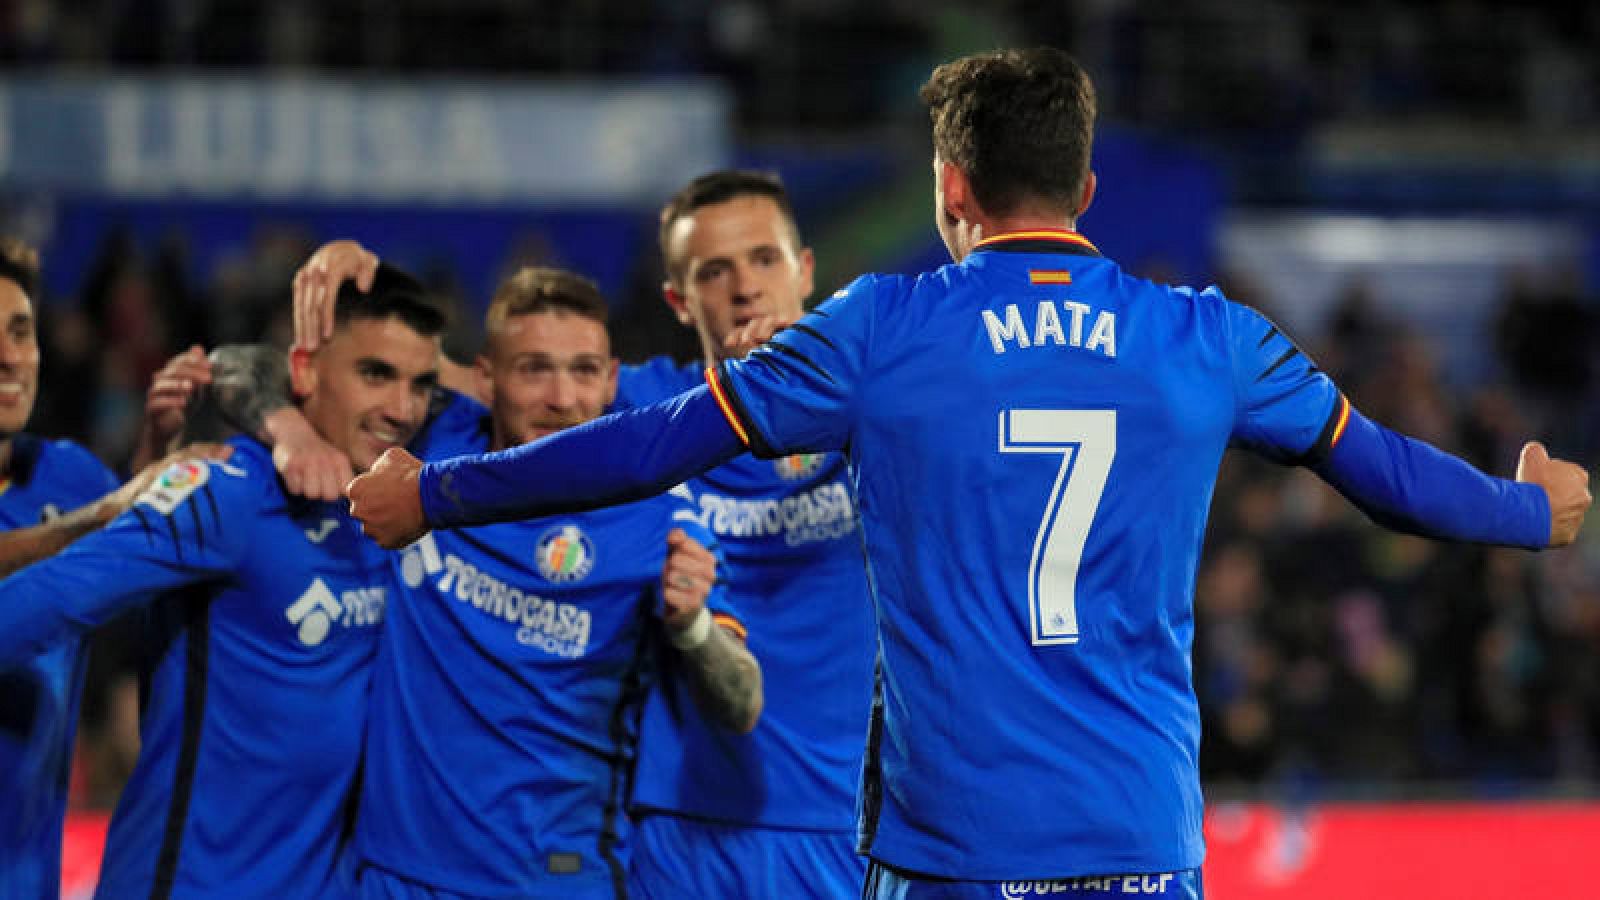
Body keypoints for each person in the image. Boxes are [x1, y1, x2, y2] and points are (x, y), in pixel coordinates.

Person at [347, 47, 1593, 899]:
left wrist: (436, 495)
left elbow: (648, 444)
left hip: (948, 851)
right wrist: (1527, 509)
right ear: (1087, 189)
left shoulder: (880, 328)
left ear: (951, 189)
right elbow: (1381, 473)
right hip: (1138, 838)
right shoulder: (1209, 337)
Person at [293, 171, 877, 900]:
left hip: (842, 815)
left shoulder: (876, 405)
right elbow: (415, 377)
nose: (745, 289)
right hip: (672, 822)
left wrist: (821, 369)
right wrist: (293, 402)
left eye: (764, 260)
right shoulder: (631, 405)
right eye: (713, 270)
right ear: (678, 297)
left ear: (805, 270)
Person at [0, 263, 445, 899]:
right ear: (304, 370)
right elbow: (42, 604)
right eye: (374, 374)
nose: (401, 409)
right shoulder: (224, 493)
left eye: (420, 384)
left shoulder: (399, 499)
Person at [344, 267, 761, 899]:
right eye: (535, 369)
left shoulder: (662, 515)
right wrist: (283, 429)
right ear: (484, 379)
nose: (563, 398)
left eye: (585, 370)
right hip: (400, 876)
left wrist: (693, 625)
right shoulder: (427, 450)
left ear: (612, 379)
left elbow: (743, 702)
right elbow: (300, 380)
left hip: (557, 878)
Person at [0, 238, 231, 900]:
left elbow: (130, 549)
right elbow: (104, 518)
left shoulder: (67, 475)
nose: (8, 356)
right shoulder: (84, 500)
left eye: (21, 331)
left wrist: (158, 453)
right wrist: (107, 510)